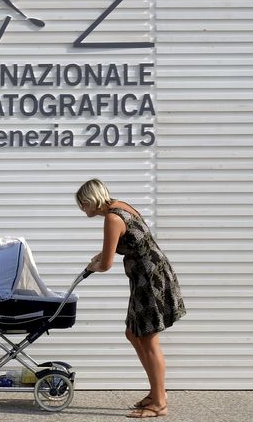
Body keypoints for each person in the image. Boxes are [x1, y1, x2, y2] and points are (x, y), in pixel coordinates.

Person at [76, 178, 186, 419]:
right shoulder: (121, 207)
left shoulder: (112, 218)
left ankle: (159, 403)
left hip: (150, 281)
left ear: (89, 201)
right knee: (133, 333)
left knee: (148, 339)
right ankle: (157, 392)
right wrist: (101, 255)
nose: (82, 210)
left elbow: (106, 264)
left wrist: (92, 266)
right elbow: (126, 242)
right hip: (150, 275)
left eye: (82, 206)